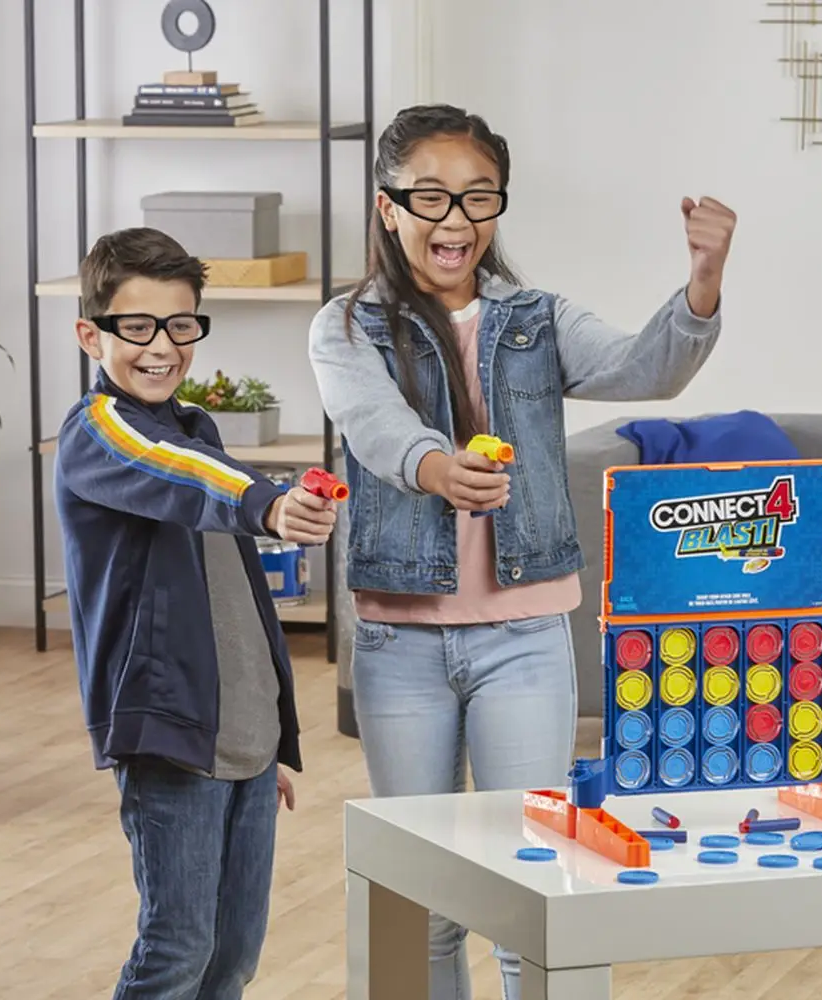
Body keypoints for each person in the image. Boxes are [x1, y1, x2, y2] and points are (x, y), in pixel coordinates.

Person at [308, 103, 735, 1000]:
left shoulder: (538, 318)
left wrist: (702, 281)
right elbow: (375, 426)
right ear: (388, 207)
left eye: (479, 196)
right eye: (430, 196)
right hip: (399, 641)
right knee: (422, 899)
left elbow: (644, 369)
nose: (456, 219)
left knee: (535, 888)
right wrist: (438, 468)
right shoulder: (345, 327)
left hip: (525, 639)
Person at [54, 227, 338, 999]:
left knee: (232, 958)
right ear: (91, 335)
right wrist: (268, 502)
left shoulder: (197, 431)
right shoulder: (96, 433)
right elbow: (175, 472)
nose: (162, 346)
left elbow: (235, 600)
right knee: (176, 952)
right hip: (172, 738)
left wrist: (263, 742)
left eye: (180, 325)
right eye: (137, 326)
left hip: (242, 740)